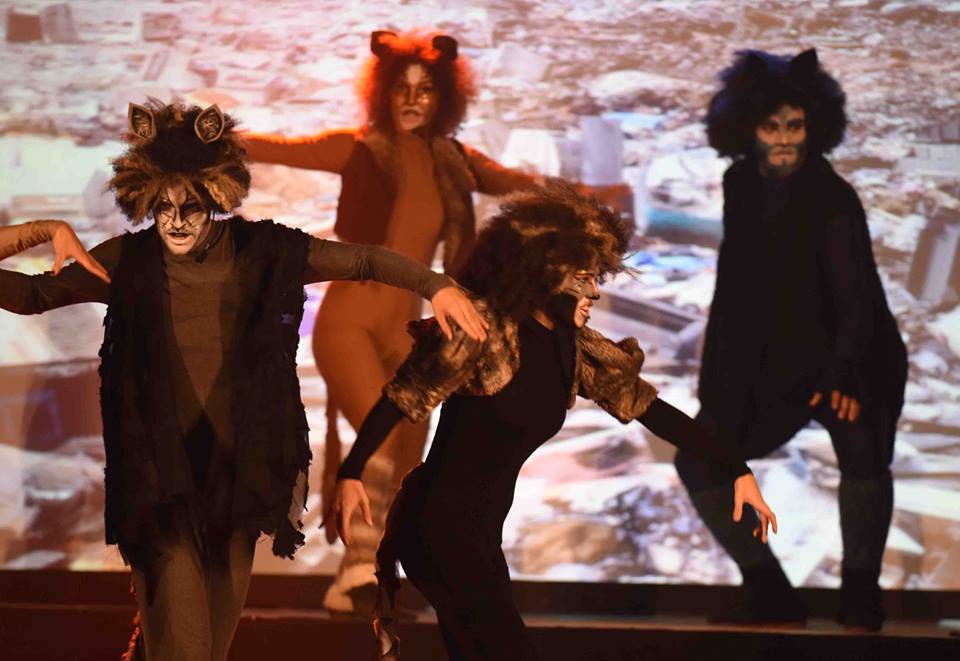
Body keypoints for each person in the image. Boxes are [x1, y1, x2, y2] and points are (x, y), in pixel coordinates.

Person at [0, 99, 486, 660]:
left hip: (237, 488)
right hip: (160, 492)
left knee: (207, 651)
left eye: (190, 205)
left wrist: (436, 285)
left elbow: (364, 261)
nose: (175, 220)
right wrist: (44, 229)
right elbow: (31, 295)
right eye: (162, 207)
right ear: (145, 200)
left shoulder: (265, 252)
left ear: (216, 196)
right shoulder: (127, 261)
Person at [333, 184, 778, 660]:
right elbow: (403, 396)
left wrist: (735, 468)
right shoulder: (485, 331)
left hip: (479, 538)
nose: (595, 292)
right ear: (543, 272)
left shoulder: (573, 347)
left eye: (597, 277)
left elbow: (650, 409)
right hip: (437, 529)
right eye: (583, 277)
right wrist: (352, 471)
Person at [242, 30, 554, 614]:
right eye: (401, 89)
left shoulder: (455, 162)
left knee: (409, 465)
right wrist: (194, 140)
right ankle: (358, 572)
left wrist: (591, 196)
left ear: (443, 99)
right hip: (348, 324)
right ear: (382, 93)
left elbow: (518, 184)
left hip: (410, 335)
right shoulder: (357, 147)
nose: (412, 101)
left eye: (425, 90)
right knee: (379, 440)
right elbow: (276, 148)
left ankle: (365, 576)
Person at [674, 48, 907, 631]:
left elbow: (857, 297)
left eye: (795, 126)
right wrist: (717, 388)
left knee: (863, 451)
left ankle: (861, 598)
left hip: (853, 353)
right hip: (775, 360)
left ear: (814, 128)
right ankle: (769, 593)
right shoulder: (738, 182)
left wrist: (843, 375)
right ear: (746, 129)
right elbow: (735, 289)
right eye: (771, 125)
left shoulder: (833, 196)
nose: (783, 138)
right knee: (700, 459)